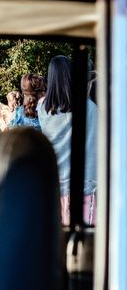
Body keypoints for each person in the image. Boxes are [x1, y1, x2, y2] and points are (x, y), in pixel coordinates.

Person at [37, 55, 97, 225]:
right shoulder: (89, 108)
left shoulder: (42, 108)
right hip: (84, 184)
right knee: (84, 243)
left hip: (54, 184)